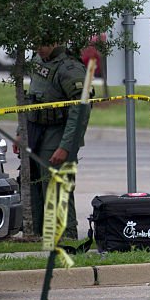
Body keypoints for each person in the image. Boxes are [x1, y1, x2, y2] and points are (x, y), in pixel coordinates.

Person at [26, 42, 92, 239]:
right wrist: (23, 131)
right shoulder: (37, 60)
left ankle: (66, 235)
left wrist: (66, 146)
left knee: (56, 183)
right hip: (36, 130)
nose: (39, 47)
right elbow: (32, 97)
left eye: (43, 43)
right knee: (36, 184)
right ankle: (40, 232)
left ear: (56, 41)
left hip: (58, 131)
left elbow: (80, 110)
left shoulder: (70, 69)